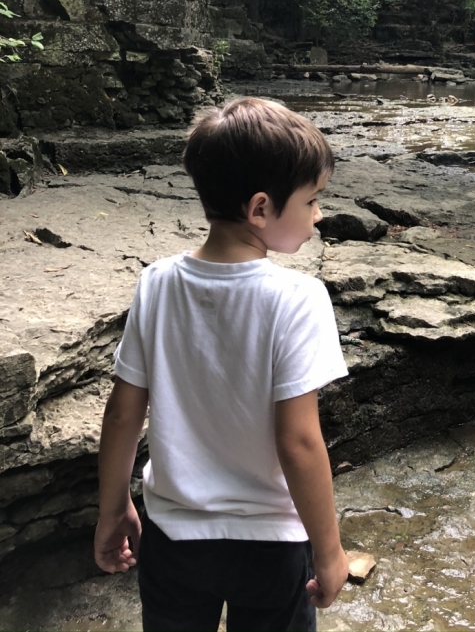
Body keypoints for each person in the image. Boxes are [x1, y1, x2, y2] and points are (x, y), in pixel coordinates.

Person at [93, 96, 350, 632]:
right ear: (260, 209)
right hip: (270, 547)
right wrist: (329, 552)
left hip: (173, 539)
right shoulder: (297, 298)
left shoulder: (157, 283)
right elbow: (299, 442)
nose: (318, 215)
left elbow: (121, 415)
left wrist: (112, 511)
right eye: (311, 200)